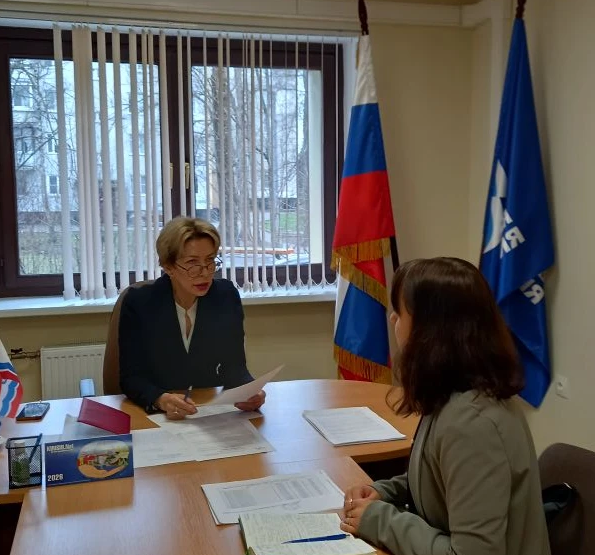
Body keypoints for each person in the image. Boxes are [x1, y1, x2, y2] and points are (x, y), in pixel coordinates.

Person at [341, 257, 550, 555]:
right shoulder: (453, 392)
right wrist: (384, 492)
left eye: (400, 310)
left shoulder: (473, 424)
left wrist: (381, 520)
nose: (391, 318)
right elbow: (438, 480)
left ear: (432, 330)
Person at [119, 216, 265, 419]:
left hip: (207, 411)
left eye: (210, 261)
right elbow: (131, 377)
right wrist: (160, 399)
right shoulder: (140, 302)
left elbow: (234, 367)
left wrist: (249, 390)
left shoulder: (225, 296)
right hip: (157, 415)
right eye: (192, 263)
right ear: (168, 267)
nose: (205, 273)